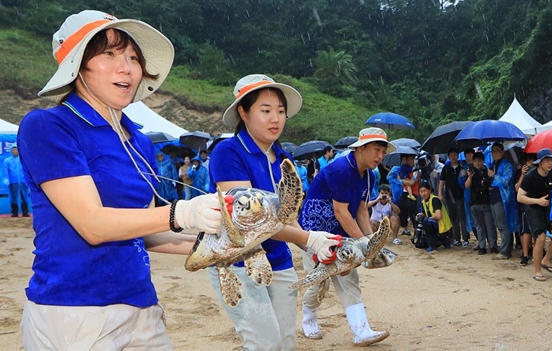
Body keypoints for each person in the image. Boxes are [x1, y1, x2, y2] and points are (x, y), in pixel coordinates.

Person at [16, 10, 223, 349]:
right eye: (109, 54)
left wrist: (212, 246)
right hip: (74, 312)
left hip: (141, 305)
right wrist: (184, 213)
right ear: (78, 65)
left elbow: (148, 230)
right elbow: (93, 225)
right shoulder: (49, 126)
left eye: (133, 57)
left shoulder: (137, 140)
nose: (126, 67)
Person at [208, 74, 340, 350]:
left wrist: (313, 245)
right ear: (243, 112)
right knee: (264, 343)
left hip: (279, 261)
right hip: (238, 263)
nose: (275, 118)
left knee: (286, 342)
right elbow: (249, 220)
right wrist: (309, 239)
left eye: (280, 111)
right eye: (265, 110)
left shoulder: (283, 159)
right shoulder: (228, 152)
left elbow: (289, 215)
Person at [298, 127, 394, 346]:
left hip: (341, 232)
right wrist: (363, 243)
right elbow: (341, 212)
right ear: (361, 148)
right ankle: (308, 317)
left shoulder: (369, 175)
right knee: (318, 281)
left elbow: (361, 210)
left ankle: (361, 330)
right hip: (315, 233)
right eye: (376, 150)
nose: (380, 156)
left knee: (349, 279)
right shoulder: (340, 169)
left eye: (383, 151)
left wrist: (372, 242)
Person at [517, 148, 552, 281]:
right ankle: (537, 270)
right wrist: (537, 201)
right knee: (541, 238)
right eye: (547, 160)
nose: (551, 163)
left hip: (549, 208)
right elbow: (520, 197)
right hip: (533, 208)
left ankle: (546, 259)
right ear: (540, 162)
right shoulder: (530, 176)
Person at [488, 142, 517, 260]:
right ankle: (504, 247)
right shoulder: (492, 164)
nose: (495, 153)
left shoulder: (507, 165)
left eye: (497, 150)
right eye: (493, 151)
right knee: (498, 224)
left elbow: (506, 181)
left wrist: (494, 175)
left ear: (503, 151)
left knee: (503, 225)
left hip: (503, 198)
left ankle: (505, 251)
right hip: (493, 197)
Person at [466, 151, 496, 255]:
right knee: (479, 226)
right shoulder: (471, 172)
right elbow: (467, 185)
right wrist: (469, 177)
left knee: (489, 225)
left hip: (486, 201)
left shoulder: (487, 171)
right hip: (475, 202)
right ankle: (482, 246)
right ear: (473, 162)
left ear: (483, 161)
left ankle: (493, 245)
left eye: (480, 161)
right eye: (476, 161)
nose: (478, 163)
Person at [438, 147, 467, 246]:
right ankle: (456, 238)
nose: (453, 157)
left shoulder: (462, 167)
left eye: (455, 154)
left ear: (458, 155)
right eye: (451, 155)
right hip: (449, 196)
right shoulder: (446, 168)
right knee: (453, 218)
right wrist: (440, 193)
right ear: (449, 157)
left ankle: (466, 238)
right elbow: (442, 182)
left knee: (462, 218)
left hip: (461, 195)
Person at [417, 181, 453, 252]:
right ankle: (441, 241)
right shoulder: (424, 202)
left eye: (425, 191)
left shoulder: (435, 199)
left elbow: (438, 216)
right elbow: (425, 213)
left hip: (443, 227)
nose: (423, 193)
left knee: (426, 221)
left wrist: (427, 218)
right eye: (421, 191)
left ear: (429, 190)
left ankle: (433, 245)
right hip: (437, 225)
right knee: (421, 219)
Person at [3, 144, 30, 217]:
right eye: (13, 149)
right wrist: (6, 179)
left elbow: (28, 170)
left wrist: (29, 179)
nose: (15, 151)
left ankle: (25, 212)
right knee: (13, 197)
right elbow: (5, 171)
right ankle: (14, 212)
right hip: (13, 182)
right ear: (11, 151)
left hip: (23, 181)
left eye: (16, 149)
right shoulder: (7, 161)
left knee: (24, 196)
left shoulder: (23, 159)